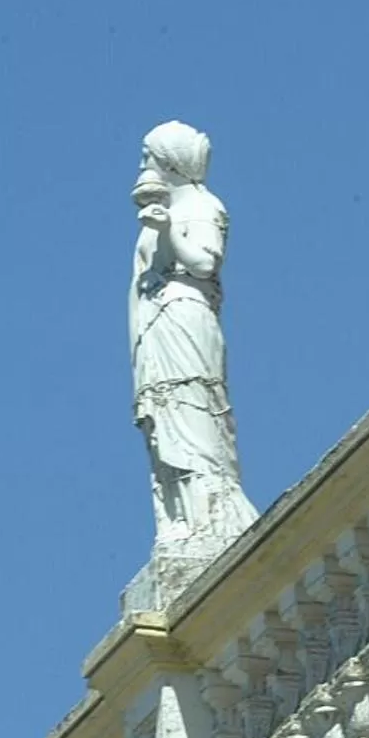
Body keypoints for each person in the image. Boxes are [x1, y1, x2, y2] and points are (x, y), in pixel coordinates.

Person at [129, 121, 256, 547]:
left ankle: (210, 521)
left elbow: (204, 262)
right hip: (160, 323)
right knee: (163, 417)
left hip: (186, 318)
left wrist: (167, 230)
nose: (143, 165)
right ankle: (179, 521)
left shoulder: (203, 206)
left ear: (169, 162)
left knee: (191, 411)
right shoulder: (161, 213)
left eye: (149, 157)